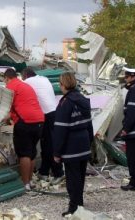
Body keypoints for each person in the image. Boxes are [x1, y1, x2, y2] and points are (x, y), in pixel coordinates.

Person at [53, 72, 93, 216]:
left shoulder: (65, 102)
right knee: (80, 177)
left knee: (72, 179)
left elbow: (60, 129)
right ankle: (79, 203)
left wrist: (57, 152)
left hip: (71, 146)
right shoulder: (83, 99)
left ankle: (74, 208)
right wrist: (90, 143)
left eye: (60, 83)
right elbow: (89, 124)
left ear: (64, 84)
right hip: (83, 143)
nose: (59, 86)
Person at [21, 67, 65, 185]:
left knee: (49, 145)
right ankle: (44, 171)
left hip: (46, 115)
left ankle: (58, 173)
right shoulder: (44, 79)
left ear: (25, 76)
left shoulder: (27, 82)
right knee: (46, 143)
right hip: (53, 112)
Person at [4, 68, 44, 190]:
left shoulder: (10, 87)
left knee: (24, 154)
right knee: (31, 153)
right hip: (39, 121)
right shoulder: (25, 85)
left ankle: (24, 183)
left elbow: (6, 108)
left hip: (25, 122)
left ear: (6, 78)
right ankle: (30, 181)